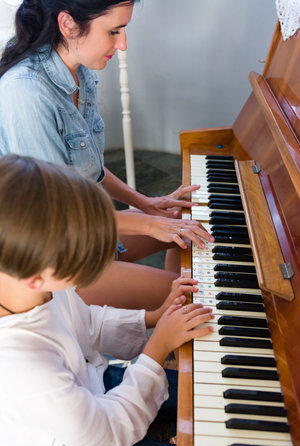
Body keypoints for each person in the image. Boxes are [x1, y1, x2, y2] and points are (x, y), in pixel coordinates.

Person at [0, 0, 214, 310]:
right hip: (54, 258)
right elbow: (58, 217)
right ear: (68, 24)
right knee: (197, 294)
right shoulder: (26, 94)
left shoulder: (79, 70)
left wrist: (147, 204)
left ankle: (174, 344)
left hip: (88, 230)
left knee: (185, 227)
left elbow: (90, 167)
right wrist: (150, 224)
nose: (123, 44)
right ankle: (173, 323)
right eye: (113, 31)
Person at [0, 154, 214, 446]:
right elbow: (105, 435)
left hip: (93, 383)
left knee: (207, 393)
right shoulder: (21, 364)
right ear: (36, 276)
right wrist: (158, 347)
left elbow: (86, 322)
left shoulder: (31, 286)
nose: (98, 267)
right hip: (87, 439)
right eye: (85, 263)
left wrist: (154, 317)